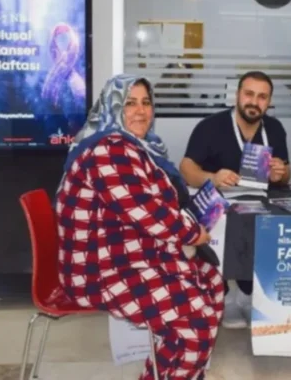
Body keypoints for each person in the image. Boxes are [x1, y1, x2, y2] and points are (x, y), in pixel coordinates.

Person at [56, 74, 224, 380]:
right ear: (112, 108)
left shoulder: (135, 146)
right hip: (100, 270)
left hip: (128, 253)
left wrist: (186, 223)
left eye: (146, 102)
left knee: (211, 281)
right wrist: (192, 232)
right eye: (129, 103)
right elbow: (147, 211)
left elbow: (154, 204)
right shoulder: (108, 150)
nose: (141, 111)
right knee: (195, 319)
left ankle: (171, 373)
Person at [180, 70, 291, 329]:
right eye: (249, 94)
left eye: (262, 97)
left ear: (269, 101)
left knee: (265, 230)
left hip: (256, 203)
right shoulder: (210, 126)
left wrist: (281, 173)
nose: (254, 102)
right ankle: (225, 296)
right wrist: (212, 177)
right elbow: (186, 168)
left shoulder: (274, 129)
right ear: (237, 95)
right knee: (223, 234)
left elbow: (286, 173)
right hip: (216, 204)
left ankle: (247, 294)